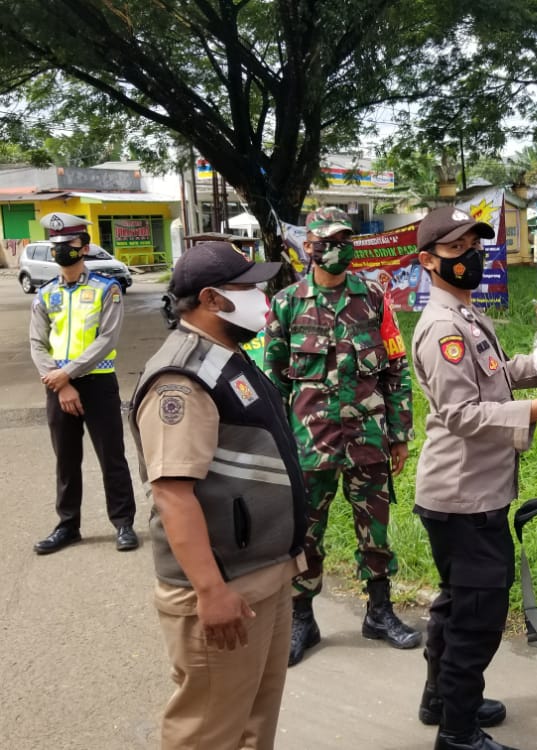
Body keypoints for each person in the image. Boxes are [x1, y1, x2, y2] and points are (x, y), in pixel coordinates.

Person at [411, 206, 537, 750]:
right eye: (456, 248)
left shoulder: (466, 315)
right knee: (478, 615)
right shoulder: (443, 327)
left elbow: (496, 377)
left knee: (456, 603)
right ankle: (458, 733)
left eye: (475, 245)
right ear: (428, 261)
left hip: (469, 490)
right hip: (464, 496)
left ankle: (442, 700)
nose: (471, 256)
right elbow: (461, 413)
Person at [128, 241, 307, 750]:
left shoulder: (227, 357)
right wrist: (210, 591)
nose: (261, 297)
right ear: (210, 298)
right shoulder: (181, 379)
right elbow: (173, 494)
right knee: (208, 731)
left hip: (262, 573)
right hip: (222, 583)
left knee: (254, 721)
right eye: (247, 287)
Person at [263, 206, 420, 666]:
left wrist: (399, 433)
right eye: (328, 242)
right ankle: (302, 619)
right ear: (309, 247)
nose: (338, 249)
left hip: (368, 435)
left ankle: (379, 612)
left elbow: (395, 368)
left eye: (345, 240)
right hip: (309, 442)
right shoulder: (287, 303)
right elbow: (274, 380)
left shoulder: (372, 298)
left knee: (376, 528)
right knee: (305, 531)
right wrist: (278, 442)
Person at [29, 211, 138, 555]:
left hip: (98, 384)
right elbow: (37, 343)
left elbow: (107, 339)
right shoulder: (45, 294)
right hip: (58, 388)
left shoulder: (107, 288)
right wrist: (60, 383)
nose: (62, 250)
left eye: (70, 243)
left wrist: (68, 374)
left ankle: (123, 523)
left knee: (112, 456)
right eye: (56, 244)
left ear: (85, 247)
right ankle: (68, 525)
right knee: (66, 459)